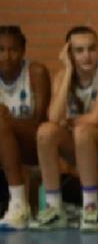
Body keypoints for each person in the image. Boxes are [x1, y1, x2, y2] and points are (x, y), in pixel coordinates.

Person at [29, 26, 98, 231]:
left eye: (91, 49)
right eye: (79, 50)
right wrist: (68, 72)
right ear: (69, 53)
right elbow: (54, 119)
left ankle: (91, 207)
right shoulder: (62, 76)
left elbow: (96, 118)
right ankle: (54, 207)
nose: (87, 56)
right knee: (46, 132)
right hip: (80, 147)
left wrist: (70, 122)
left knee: (84, 131)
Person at [0, 26, 51, 230]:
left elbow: (40, 121)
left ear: (23, 51)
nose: (6, 56)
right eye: (1, 49)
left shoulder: (35, 72)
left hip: (34, 144)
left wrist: (9, 121)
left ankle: (19, 205)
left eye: (12, 50)